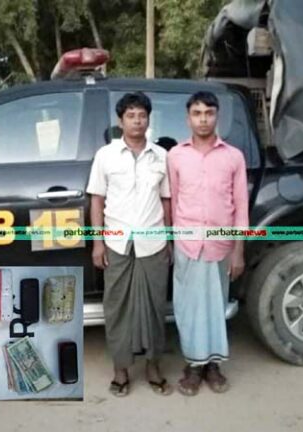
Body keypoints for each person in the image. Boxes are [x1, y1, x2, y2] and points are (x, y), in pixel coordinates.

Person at [86, 92, 173, 397]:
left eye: (142, 116)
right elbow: (97, 200)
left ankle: (153, 366)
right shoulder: (106, 155)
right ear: (120, 121)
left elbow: (166, 200)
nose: (137, 121)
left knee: (155, 306)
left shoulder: (161, 156)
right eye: (131, 116)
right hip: (117, 242)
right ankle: (120, 370)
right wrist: (98, 243)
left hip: (153, 242)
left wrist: (169, 239)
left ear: (149, 119)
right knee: (116, 307)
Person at [167, 91, 248, 396]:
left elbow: (241, 206)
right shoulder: (176, 156)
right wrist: (171, 242)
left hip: (220, 244)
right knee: (188, 308)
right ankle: (193, 365)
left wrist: (238, 250)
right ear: (188, 118)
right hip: (187, 244)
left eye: (209, 113)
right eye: (197, 113)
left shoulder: (233, 157)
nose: (203, 119)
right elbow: (173, 201)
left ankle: (213, 365)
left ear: (217, 116)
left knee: (216, 306)